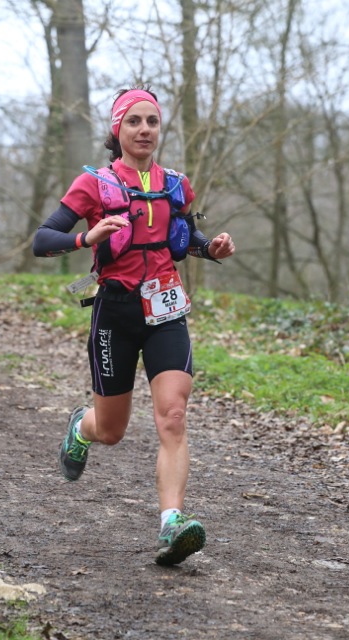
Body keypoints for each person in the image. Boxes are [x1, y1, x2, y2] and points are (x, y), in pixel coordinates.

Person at [33, 85, 235, 566]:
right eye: (134, 121)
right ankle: (81, 427)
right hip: (116, 313)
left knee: (173, 415)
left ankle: (172, 524)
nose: (145, 130)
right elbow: (42, 240)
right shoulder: (93, 185)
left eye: (152, 121)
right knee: (112, 430)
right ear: (117, 128)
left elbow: (183, 236)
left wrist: (211, 248)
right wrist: (86, 237)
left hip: (165, 310)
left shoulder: (176, 183)